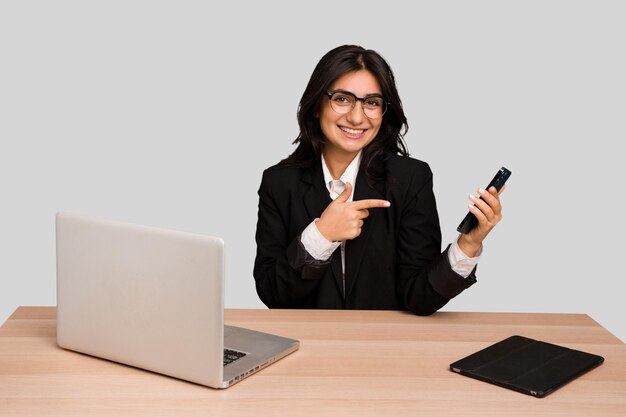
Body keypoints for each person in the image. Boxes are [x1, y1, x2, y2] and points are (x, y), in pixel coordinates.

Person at [253, 45, 505, 315]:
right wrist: (321, 235)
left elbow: (419, 299)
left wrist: (468, 244)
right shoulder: (278, 182)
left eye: (371, 103)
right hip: (309, 346)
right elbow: (273, 295)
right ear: (317, 106)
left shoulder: (409, 179)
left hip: (386, 346)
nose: (357, 117)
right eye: (342, 99)